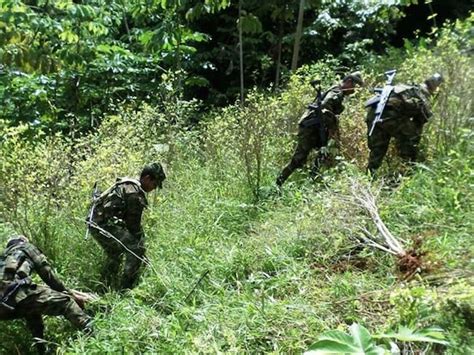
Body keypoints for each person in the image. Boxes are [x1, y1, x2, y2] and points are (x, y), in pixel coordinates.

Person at [0, 235, 92, 354]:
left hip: (3, 306)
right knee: (65, 302)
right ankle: (94, 332)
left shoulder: (3, 257)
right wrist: (69, 293)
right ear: (23, 241)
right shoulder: (25, 247)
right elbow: (48, 275)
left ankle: (42, 350)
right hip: (13, 292)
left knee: (32, 310)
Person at [276, 72, 364, 186]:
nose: (354, 90)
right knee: (299, 159)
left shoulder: (336, 90)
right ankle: (278, 183)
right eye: (355, 86)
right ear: (349, 82)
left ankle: (313, 180)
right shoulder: (337, 92)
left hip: (316, 128)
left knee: (324, 154)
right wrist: (333, 122)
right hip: (310, 128)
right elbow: (325, 106)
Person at [87, 162, 166, 290]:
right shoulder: (134, 193)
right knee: (135, 250)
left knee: (115, 253)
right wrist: (141, 246)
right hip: (103, 225)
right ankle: (126, 289)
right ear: (146, 178)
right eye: (154, 184)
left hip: (96, 224)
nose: (154, 188)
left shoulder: (128, 185)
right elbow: (133, 226)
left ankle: (105, 286)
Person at [365, 73, 444, 175]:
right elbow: (421, 119)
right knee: (411, 141)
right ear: (435, 86)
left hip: (374, 115)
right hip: (391, 116)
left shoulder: (407, 87)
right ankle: (408, 171)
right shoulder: (423, 93)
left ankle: (370, 175)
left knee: (377, 149)